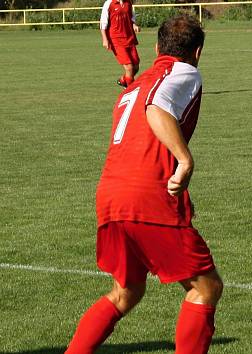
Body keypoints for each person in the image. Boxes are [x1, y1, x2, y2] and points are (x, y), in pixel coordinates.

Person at [66, 14, 223, 353]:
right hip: (147, 195)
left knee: (126, 292)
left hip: (110, 194)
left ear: (155, 48)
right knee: (206, 288)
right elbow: (157, 110)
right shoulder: (185, 73)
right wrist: (185, 160)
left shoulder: (135, 85)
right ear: (197, 53)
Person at [100, 0, 140, 87]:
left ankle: (123, 80)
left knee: (136, 67)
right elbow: (103, 23)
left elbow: (131, 18)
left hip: (129, 38)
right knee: (129, 68)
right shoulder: (109, 3)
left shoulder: (128, 3)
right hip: (116, 40)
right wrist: (105, 39)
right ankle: (130, 91)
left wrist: (134, 25)